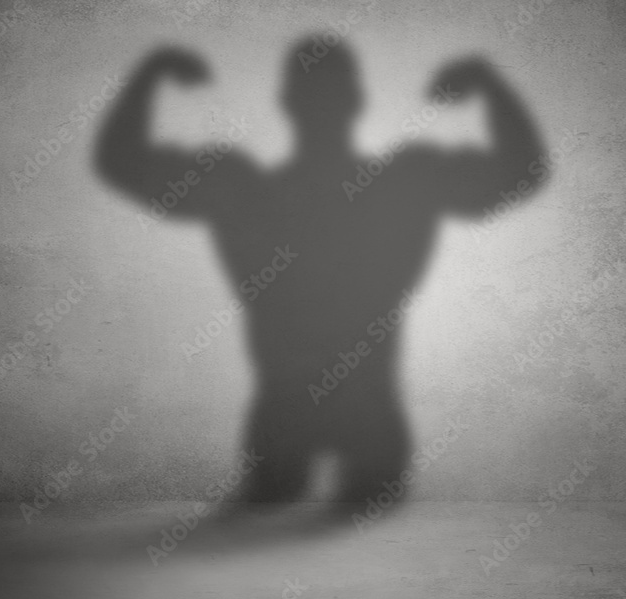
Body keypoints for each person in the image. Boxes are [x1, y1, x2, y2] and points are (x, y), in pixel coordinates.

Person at [96, 42, 543, 508]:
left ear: (286, 102)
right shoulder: (399, 187)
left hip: (302, 421)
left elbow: (123, 163)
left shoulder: (247, 193)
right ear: (358, 101)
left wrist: (149, 75)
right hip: (349, 421)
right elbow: (520, 171)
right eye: (321, 92)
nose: (323, 104)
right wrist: (490, 85)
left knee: (290, 523)